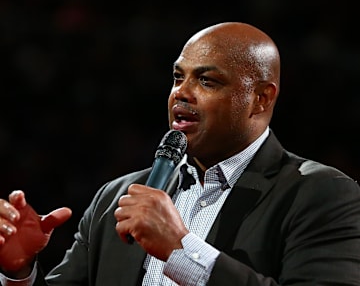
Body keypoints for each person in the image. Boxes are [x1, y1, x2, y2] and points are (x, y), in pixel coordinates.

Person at [0, 21, 359, 286]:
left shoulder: (322, 194)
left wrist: (181, 250)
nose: (181, 94)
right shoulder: (118, 197)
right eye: (177, 77)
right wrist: (19, 273)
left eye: (207, 81)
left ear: (260, 98)